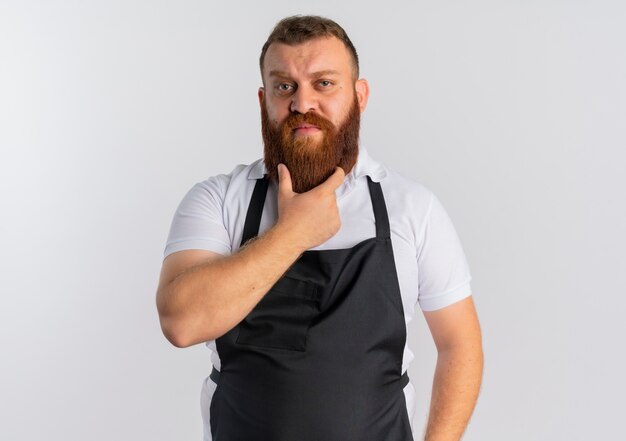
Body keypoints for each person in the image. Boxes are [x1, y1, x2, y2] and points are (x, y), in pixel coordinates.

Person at [156, 15, 483, 441]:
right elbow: (181, 323)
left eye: (323, 83)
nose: (302, 103)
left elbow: (460, 345)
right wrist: (294, 232)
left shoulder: (411, 209)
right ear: (263, 99)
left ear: (360, 96)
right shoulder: (218, 200)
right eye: (284, 86)